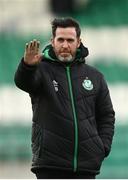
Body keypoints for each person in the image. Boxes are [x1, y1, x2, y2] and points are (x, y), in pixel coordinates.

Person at [14, 17, 115, 179]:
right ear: (52, 41)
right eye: (60, 40)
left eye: (70, 40)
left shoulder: (95, 76)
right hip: (50, 166)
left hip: (86, 167)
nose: (65, 45)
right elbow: (24, 83)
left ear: (79, 42)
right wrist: (27, 67)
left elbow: (106, 116)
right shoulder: (41, 70)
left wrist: (101, 147)